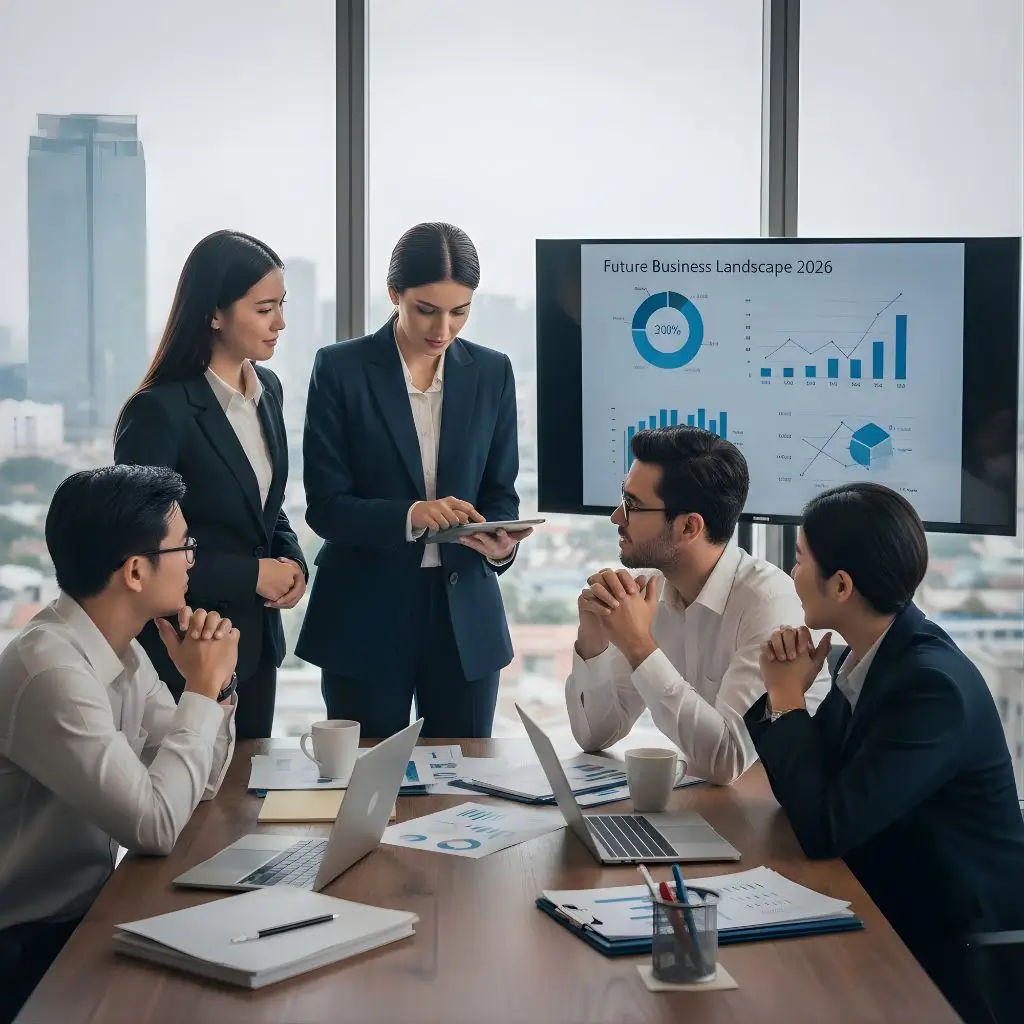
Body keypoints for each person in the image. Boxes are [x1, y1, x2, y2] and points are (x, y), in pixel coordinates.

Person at [744, 482, 1024, 1024]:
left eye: (800, 560)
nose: (793, 576)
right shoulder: (873, 660)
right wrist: (791, 700)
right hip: (895, 901)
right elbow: (810, 790)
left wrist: (786, 696)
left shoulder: (928, 686)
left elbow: (824, 824)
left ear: (842, 584)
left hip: (962, 950)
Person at [0, 465, 238, 1024]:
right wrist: (200, 689)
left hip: (88, 913)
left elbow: (198, 786)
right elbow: (154, 826)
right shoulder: (51, 674)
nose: (194, 559)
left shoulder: (124, 655)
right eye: (185, 545)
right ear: (135, 570)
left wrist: (216, 690)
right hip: (26, 947)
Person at [297, 222, 531, 738]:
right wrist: (410, 516)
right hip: (365, 612)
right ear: (394, 294)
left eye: (460, 311)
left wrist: (500, 546)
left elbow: (500, 492)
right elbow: (326, 506)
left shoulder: (493, 373)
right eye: (427, 309)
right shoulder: (341, 369)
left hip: (465, 617)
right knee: (364, 783)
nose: (443, 329)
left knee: (466, 791)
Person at [114, 230, 308, 740]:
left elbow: (266, 507)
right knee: (191, 805)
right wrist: (252, 575)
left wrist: (290, 565)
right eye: (265, 309)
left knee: (248, 798)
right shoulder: (160, 411)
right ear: (215, 314)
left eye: (282, 305)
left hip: (257, 643)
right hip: (187, 648)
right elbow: (140, 550)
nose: (281, 323)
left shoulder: (269, 391)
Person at [565, 426, 829, 785]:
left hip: (778, 811)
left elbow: (726, 761)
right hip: (719, 805)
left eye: (633, 506)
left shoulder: (769, 604)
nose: (616, 517)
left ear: (689, 527)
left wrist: (639, 647)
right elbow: (595, 736)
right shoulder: (652, 589)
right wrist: (592, 640)